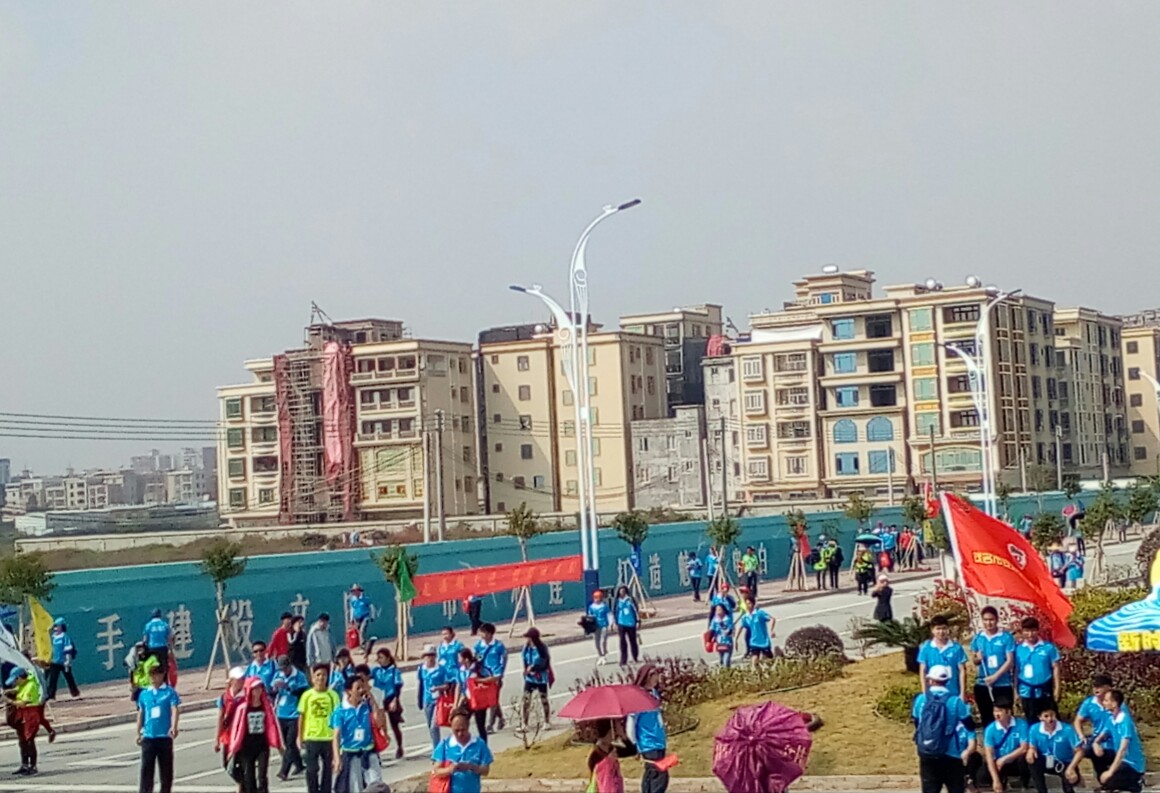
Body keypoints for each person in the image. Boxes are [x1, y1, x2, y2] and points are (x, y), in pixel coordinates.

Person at [911, 665, 974, 793]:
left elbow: (917, 722)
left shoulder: (921, 699)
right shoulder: (955, 702)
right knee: (955, 788)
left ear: (930, 680)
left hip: (928, 750)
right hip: (951, 752)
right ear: (947, 681)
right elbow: (969, 725)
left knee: (930, 789)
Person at [227, 676, 282, 793]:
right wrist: (232, 749)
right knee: (249, 776)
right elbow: (236, 729)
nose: (257, 691)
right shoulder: (243, 708)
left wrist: (277, 742)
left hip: (262, 745)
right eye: (254, 688)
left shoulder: (266, 706)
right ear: (249, 690)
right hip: (247, 746)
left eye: (259, 688)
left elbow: (272, 725)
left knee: (262, 776)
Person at [331, 677, 382, 793]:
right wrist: (337, 758)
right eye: (357, 688)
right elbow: (336, 736)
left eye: (362, 687)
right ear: (349, 691)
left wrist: (373, 702)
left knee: (376, 785)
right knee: (355, 787)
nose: (361, 690)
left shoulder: (367, 706)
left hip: (369, 751)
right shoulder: (340, 711)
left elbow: (379, 723)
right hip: (351, 754)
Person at [136, 663, 180, 793]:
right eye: (150, 675)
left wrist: (174, 726)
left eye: (155, 675)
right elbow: (141, 712)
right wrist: (138, 732)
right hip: (149, 736)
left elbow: (174, 709)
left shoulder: (169, 692)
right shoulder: (144, 694)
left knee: (166, 770)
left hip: (164, 736)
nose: (153, 678)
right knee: (146, 769)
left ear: (162, 675)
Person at [969, 606, 1016, 727]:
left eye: (991, 620)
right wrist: (977, 658)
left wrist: (995, 677)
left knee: (1004, 718)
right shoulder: (978, 638)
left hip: (1002, 684)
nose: (988, 623)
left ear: (997, 620)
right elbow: (975, 661)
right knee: (987, 718)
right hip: (983, 683)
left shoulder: (1006, 637)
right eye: (985, 620)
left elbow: (1010, 661)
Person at [972, 697, 1029, 793]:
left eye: (1000, 711)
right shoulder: (990, 729)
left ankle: (1025, 783)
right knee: (982, 778)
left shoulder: (1021, 724)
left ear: (1008, 712)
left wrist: (1005, 759)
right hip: (997, 761)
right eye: (995, 711)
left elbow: (1024, 748)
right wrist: (996, 780)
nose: (997, 714)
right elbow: (989, 755)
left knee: (1025, 758)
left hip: (1014, 759)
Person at [298, 663, 341, 793]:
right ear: (313, 678)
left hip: (328, 737)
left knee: (327, 769)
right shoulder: (307, 695)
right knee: (311, 769)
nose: (321, 678)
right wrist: (299, 736)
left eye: (324, 675)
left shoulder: (332, 695)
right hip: (311, 737)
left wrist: (338, 737)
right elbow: (302, 716)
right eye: (318, 675)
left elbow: (337, 717)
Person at [627, 664, 668, 793]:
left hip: (659, 741)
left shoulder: (654, 693)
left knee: (651, 773)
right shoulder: (638, 697)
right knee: (660, 775)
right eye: (654, 674)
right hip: (648, 743)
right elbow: (631, 722)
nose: (657, 677)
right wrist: (633, 744)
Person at [5, 667, 54, 776]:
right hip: (22, 715)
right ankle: (24, 764)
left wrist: (9, 701)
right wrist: (10, 692)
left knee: (29, 740)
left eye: (16, 680)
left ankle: (33, 766)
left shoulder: (31, 686)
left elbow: (22, 703)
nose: (15, 683)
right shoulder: (22, 685)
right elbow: (17, 690)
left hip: (31, 714)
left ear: (20, 677)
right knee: (22, 740)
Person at [431, 712, 493, 793]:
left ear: (468, 726)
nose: (460, 734)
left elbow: (486, 770)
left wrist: (471, 767)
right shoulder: (445, 744)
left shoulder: (479, 744)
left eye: (463, 730)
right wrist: (449, 769)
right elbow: (436, 771)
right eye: (456, 730)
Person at [1099, 688, 1146, 793]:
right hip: (1123, 762)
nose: (1103, 703)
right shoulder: (1111, 719)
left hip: (1133, 765)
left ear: (1114, 704)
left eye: (1106, 700)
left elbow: (1123, 749)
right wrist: (1095, 743)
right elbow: (1102, 735)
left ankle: (1135, 783)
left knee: (1108, 784)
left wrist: (1110, 772)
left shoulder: (1125, 721)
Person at [1015, 617, 1060, 724]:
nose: (1030, 634)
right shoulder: (1018, 649)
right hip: (1026, 691)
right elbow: (1016, 671)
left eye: (1033, 630)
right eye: (1026, 631)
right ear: (1022, 631)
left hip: (1045, 690)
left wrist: (1057, 688)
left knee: (1050, 721)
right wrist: (1015, 691)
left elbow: (1056, 667)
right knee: (1031, 721)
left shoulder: (1048, 647)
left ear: (1038, 630)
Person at [1026, 705, 1082, 793]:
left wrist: (1071, 767)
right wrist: (1031, 750)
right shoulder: (1034, 729)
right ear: (1040, 717)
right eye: (1046, 716)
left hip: (1064, 762)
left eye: (1052, 715)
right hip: (1046, 760)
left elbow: (1079, 751)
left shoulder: (1067, 729)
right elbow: (1032, 746)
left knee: (1071, 781)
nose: (1050, 719)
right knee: (1031, 760)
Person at [1073, 674, 1117, 782]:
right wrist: (1081, 735)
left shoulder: (1116, 703)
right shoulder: (1089, 703)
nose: (1096, 689)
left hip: (1114, 738)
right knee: (1084, 748)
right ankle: (1101, 779)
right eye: (1094, 686)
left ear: (1108, 687)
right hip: (1097, 738)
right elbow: (1078, 720)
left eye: (1100, 686)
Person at [273, 654, 308, 781]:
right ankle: (299, 764)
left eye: (285, 668)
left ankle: (284, 771)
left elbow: (303, 692)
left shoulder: (299, 676)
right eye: (281, 669)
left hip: (295, 713)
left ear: (290, 665)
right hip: (281, 713)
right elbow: (272, 690)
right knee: (288, 744)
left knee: (290, 742)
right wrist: (275, 687)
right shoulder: (279, 675)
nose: (283, 671)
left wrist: (288, 687)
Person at [918, 616, 968, 697]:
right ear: (932, 630)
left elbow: (962, 671)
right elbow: (922, 671)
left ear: (948, 629)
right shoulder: (926, 648)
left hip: (953, 694)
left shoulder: (956, 648)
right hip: (933, 695)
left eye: (944, 628)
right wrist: (924, 693)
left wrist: (962, 694)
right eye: (938, 629)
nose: (941, 632)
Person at [215, 667, 247, 788]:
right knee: (227, 765)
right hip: (228, 736)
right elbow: (220, 718)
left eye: (243, 678)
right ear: (232, 681)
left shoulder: (246, 695)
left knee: (239, 765)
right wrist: (217, 739)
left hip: (242, 735)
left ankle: (242, 787)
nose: (242, 681)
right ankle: (243, 785)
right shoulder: (225, 697)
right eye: (239, 679)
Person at [586, 718, 638, 793]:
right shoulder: (595, 754)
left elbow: (632, 751)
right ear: (608, 732)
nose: (615, 734)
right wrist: (608, 761)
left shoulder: (611, 749)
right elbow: (599, 778)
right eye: (613, 731)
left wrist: (623, 735)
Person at [371, 647, 405, 759]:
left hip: (390, 698)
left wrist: (395, 700)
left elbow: (398, 686)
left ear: (388, 658)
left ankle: (399, 747)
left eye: (381, 657)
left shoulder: (394, 671)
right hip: (378, 699)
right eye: (378, 658)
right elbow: (365, 675)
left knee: (394, 725)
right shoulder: (376, 671)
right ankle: (377, 749)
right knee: (376, 725)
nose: (379, 660)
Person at [473, 623, 507, 733]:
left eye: (482, 632)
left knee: (493, 700)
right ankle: (501, 718)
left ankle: (490, 724)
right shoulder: (478, 645)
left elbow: (504, 659)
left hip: (494, 676)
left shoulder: (498, 646)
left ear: (489, 633)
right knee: (491, 700)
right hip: (483, 675)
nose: (481, 634)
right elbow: (476, 659)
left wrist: (500, 673)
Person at [418, 644, 450, 752]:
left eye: (432, 655)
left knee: (434, 726)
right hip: (427, 700)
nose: (430, 658)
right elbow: (421, 685)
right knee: (430, 727)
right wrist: (419, 700)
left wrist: (438, 688)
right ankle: (436, 745)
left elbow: (446, 685)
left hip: (438, 701)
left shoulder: (441, 669)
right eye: (427, 655)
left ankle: (437, 750)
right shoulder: (422, 669)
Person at [454, 648, 490, 742]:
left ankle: (483, 746)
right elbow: (459, 686)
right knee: (461, 721)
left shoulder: (477, 668)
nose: (458, 660)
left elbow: (490, 677)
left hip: (479, 700)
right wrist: (455, 704)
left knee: (480, 725)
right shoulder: (461, 671)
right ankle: (464, 743)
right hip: (468, 700)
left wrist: (479, 680)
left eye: (460, 658)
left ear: (466, 659)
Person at [521, 627, 552, 730]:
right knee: (526, 699)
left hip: (541, 677)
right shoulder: (526, 648)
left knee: (543, 698)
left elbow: (545, 663)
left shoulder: (542, 648)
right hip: (530, 678)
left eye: (528, 637)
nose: (527, 639)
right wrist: (526, 669)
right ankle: (525, 723)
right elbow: (524, 659)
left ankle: (547, 721)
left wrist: (534, 667)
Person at [45, 617, 80, 701]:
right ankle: (51, 695)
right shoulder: (53, 637)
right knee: (53, 679)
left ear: (62, 627)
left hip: (64, 662)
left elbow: (68, 649)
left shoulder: (65, 637)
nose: (56, 628)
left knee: (69, 678)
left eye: (57, 626)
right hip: (54, 662)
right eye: (55, 626)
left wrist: (68, 660)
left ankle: (75, 692)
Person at [615, 585, 641, 667]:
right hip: (621, 623)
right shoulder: (617, 601)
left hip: (631, 623)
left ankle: (635, 657)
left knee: (633, 641)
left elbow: (636, 611)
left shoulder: (630, 600)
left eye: (623, 591)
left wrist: (638, 621)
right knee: (622, 642)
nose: (622, 592)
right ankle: (623, 660)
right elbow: (614, 612)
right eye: (620, 591)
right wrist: (614, 622)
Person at [142, 608, 173, 676]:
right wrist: (170, 649)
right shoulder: (165, 624)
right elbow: (169, 639)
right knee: (164, 667)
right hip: (163, 648)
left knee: (152, 667)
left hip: (152, 648)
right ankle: (164, 680)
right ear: (160, 615)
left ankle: (153, 680)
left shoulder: (148, 625)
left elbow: (145, 640)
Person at [587, 590, 611, 665]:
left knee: (603, 640)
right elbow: (589, 616)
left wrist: (611, 623)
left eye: (599, 597)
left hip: (604, 625)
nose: (597, 599)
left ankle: (604, 655)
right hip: (595, 626)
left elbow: (609, 614)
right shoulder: (591, 607)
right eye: (596, 597)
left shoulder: (604, 606)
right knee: (596, 642)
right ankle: (600, 655)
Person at [348, 585, 373, 652]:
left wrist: (372, 616)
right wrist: (351, 619)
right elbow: (352, 609)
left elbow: (371, 608)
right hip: (357, 618)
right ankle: (364, 646)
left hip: (365, 617)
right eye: (353, 591)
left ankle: (363, 647)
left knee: (362, 631)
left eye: (355, 591)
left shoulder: (366, 599)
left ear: (359, 591)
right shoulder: (353, 600)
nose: (354, 592)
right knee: (359, 632)